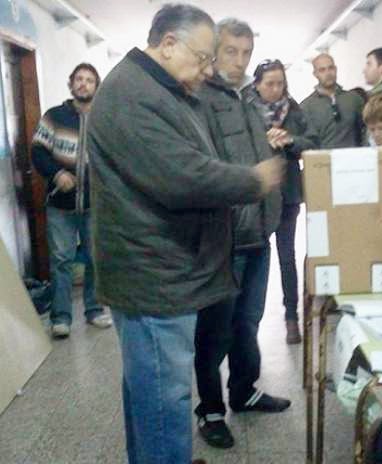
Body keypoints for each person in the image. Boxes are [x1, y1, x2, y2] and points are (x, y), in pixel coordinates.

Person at [87, 6, 283, 463]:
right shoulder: (133, 96)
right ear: (168, 44)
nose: (207, 70)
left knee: (150, 395)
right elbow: (184, 176)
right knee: (163, 399)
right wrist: (254, 180)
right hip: (153, 277)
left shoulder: (160, 88)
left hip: (163, 269)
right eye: (203, 57)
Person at [194, 18, 291, 450]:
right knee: (215, 330)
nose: (239, 61)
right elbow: (205, 171)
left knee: (248, 322)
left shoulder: (248, 102)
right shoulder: (200, 100)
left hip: (258, 234)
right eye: (230, 51)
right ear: (214, 51)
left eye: (246, 52)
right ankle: (211, 410)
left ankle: (244, 391)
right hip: (224, 239)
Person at [31, 62, 112, 339]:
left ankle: (94, 310)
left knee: (95, 259)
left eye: (89, 80)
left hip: (95, 205)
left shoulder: (105, 118)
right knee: (61, 261)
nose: (83, 84)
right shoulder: (54, 117)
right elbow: (38, 152)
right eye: (79, 79)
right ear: (71, 84)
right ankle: (61, 317)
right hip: (60, 206)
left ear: (96, 87)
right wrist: (56, 174)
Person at [246, 58, 319, 344]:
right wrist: (262, 141)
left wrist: (289, 140)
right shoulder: (245, 108)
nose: (276, 89)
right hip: (256, 196)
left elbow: (312, 142)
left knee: (287, 256)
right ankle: (248, 322)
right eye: (270, 84)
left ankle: (291, 318)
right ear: (257, 85)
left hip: (287, 195)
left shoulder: (294, 109)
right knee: (256, 257)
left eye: (280, 83)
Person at [300, 53, 364, 148]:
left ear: (336, 69)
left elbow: (366, 130)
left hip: (354, 155)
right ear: (315, 74)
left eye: (331, 68)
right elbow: (307, 142)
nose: (328, 73)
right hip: (323, 157)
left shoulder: (353, 99)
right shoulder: (306, 107)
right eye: (322, 70)